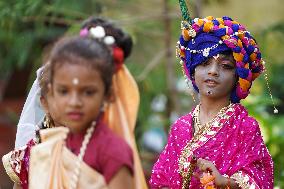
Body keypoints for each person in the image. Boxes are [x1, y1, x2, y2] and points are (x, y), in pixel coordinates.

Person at [2, 17, 147, 189]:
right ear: (49, 96)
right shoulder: (49, 148)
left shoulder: (112, 152)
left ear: (108, 95)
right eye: (64, 91)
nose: (74, 102)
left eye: (88, 92)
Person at [149, 1, 275, 188]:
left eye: (225, 66)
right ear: (192, 71)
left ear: (237, 77)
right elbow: (161, 179)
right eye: (204, 63)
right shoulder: (180, 127)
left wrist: (226, 182)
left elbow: (261, 180)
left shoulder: (245, 127)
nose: (213, 71)